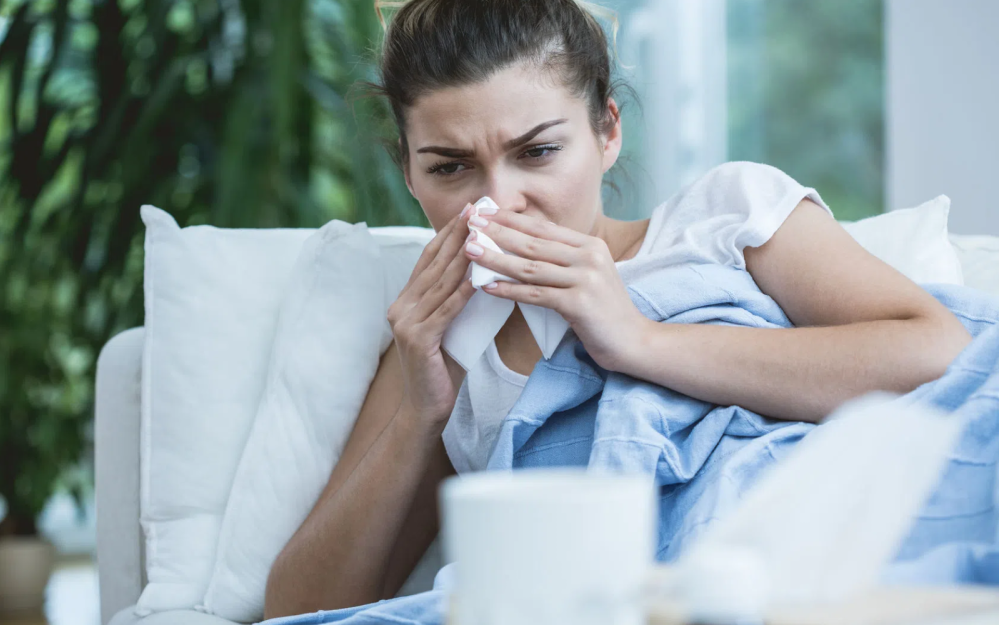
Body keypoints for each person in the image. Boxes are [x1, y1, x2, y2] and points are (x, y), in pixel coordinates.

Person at [263, 0, 972, 618]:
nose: (497, 201)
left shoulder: (724, 217)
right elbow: (302, 607)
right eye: (449, 166)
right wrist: (419, 415)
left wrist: (636, 339)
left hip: (822, 550)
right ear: (409, 172)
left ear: (607, 131)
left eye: (537, 151)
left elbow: (936, 352)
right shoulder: (442, 338)